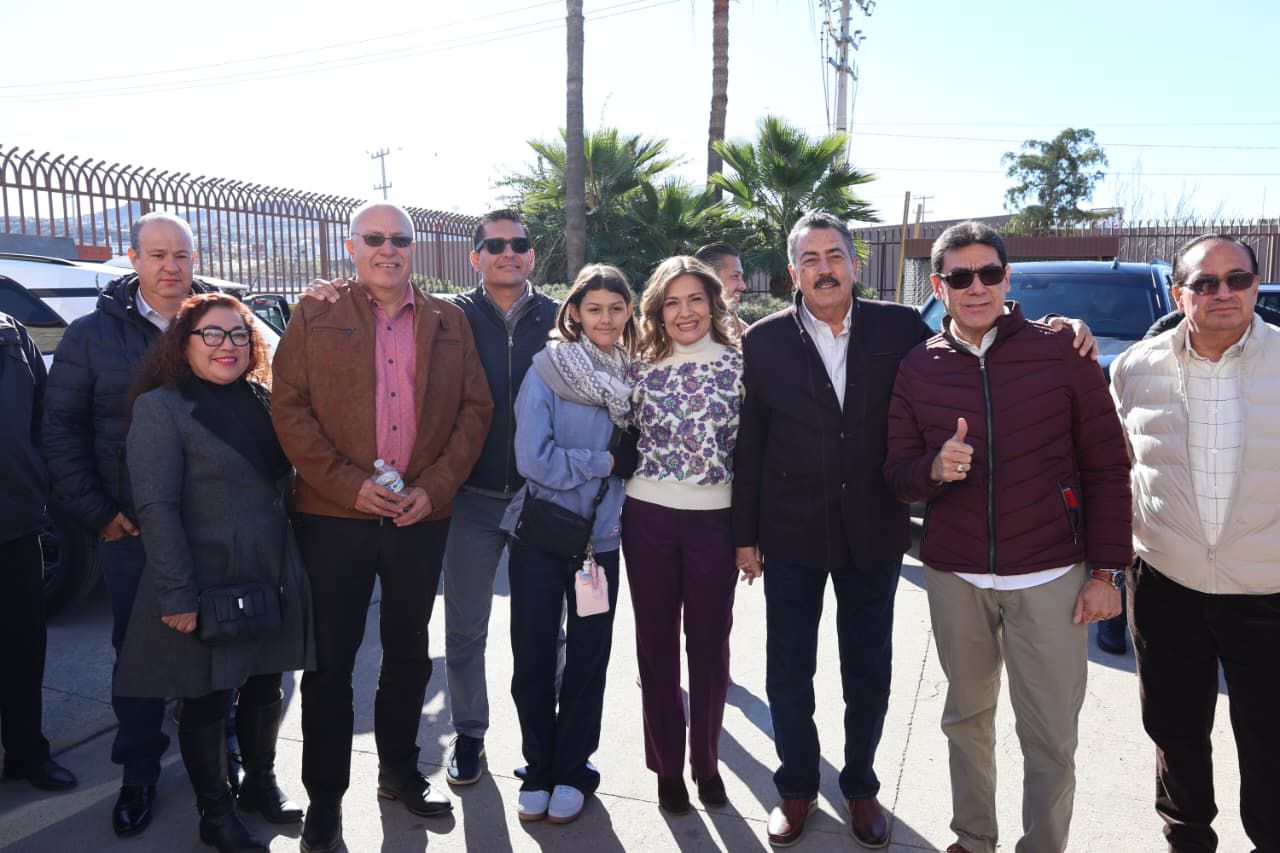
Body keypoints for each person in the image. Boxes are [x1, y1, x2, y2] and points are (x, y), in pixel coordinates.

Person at [731, 211, 1098, 849]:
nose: (824, 269)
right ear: (793, 272)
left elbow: (971, 338)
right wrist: (745, 535)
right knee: (787, 669)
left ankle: (860, 787)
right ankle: (795, 786)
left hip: (874, 532)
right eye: (811, 259)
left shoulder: (899, 327)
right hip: (791, 533)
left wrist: (1060, 326)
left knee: (867, 670)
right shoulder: (763, 341)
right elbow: (751, 444)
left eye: (835, 256)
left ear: (855, 265)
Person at [884, 221, 1132, 853]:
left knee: (1049, 734)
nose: (977, 287)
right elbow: (897, 474)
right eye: (961, 276)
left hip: (1050, 574)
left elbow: (1108, 467)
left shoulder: (1062, 352)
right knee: (965, 720)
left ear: (1006, 278)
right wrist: (933, 469)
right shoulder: (918, 366)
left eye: (989, 273)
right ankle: (973, 838)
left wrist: (1108, 572)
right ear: (938, 285)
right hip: (955, 575)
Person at [271, 202, 493, 853]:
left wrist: (436, 487)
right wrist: (346, 484)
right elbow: (289, 407)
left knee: (407, 653)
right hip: (334, 516)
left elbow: (475, 409)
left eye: (399, 238)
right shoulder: (315, 312)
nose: (387, 248)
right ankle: (325, 799)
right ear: (352, 246)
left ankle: (398, 771)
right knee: (330, 663)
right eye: (374, 237)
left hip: (419, 514)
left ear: (412, 248)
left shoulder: (449, 319)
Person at [117, 293, 315, 853]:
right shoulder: (162, 408)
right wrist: (177, 593)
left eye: (238, 334)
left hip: (268, 567)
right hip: (207, 578)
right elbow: (156, 508)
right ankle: (216, 813)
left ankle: (259, 783)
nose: (226, 345)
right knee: (207, 697)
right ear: (184, 344)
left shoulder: (263, 398)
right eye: (212, 334)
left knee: (265, 682)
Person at [43, 211, 216, 836]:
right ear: (134, 259)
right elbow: (60, 433)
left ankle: (218, 763)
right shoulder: (92, 336)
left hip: (212, 526)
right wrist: (100, 516)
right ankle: (139, 772)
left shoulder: (220, 322)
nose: (172, 266)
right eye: (158, 255)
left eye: (182, 254)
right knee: (138, 656)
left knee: (216, 644)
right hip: (133, 528)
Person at [1110, 233, 1280, 853]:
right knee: (1174, 729)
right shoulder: (1134, 368)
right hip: (1166, 583)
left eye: (1237, 279)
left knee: (1270, 738)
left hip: (1268, 589)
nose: (1222, 293)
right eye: (1204, 283)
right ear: (1180, 294)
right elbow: (1119, 468)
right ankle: (1186, 837)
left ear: (1256, 286)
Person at [500, 264, 636, 825]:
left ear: (629, 312)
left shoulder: (636, 376)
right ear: (574, 312)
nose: (606, 319)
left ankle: (572, 769)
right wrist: (603, 462)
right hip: (541, 536)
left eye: (616, 308)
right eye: (594, 308)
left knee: (588, 661)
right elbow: (533, 460)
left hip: (601, 543)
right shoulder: (547, 370)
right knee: (533, 656)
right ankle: (538, 767)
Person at [622, 256, 750, 814]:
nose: (684, 312)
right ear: (657, 310)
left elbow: (754, 454)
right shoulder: (638, 365)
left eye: (695, 298)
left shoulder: (741, 364)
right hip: (646, 517)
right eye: (672, 302)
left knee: (709, 647)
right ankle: (667, 768)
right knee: (655, 647)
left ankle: (706, 762)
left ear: (713, 302)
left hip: (714, 523)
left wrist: (750, 535)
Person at [443, 210, 558, 785]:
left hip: (543, 500)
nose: (507, 252)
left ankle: (548, 736)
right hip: (471, 499)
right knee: (465, 629)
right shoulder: (449, 317)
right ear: (476, 257)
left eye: (519, 243)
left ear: (532, 255)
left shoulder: (562, 317)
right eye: (495, 245)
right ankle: (469, 734)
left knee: (546, 630)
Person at [0, 311, 77, 793]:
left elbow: (42, 419)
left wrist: (37, 482)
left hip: (16, 521)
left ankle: (27, 753)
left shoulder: (11, 334)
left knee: (23, 646)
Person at [694, 242, 748, 333]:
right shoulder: (685, 329)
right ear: (710, 278)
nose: (743, 286)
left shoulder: (743, 330)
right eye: (735, 276)